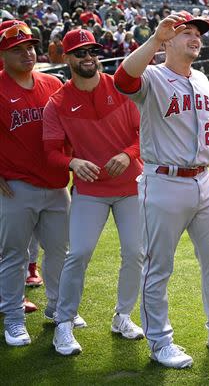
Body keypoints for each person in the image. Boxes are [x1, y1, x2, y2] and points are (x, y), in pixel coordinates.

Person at [114, 11, 209, 369]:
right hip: (163, 181)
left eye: (199, 33)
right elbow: (121, 79)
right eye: (187, 32)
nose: (196, 38)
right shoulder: (152, 77)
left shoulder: (204, 80)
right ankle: (160, 342)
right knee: (158, 267)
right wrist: (154, 39)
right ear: (168, 42)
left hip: (202, 182)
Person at [43, 29, 145, 356]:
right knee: (79, 253)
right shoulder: (57, 102)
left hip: (130, 186)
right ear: (66, 58)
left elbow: (145, 135)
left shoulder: (121, 87)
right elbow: (51, 152)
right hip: (90, 190)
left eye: (92, 51)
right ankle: (64, 322)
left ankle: (122, 316)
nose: (88, 57)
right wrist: (72, 162)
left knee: (135, 253)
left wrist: (128, 154)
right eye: (80, 53)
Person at [0, 21, 71, 346]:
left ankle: (57, 308)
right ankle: (14, 319)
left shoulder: (53, 83)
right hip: (17, 187)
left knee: (58, 251)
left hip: (56, 186)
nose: (27, 53)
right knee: (14, 255)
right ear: (3, 54)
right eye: (18, 48)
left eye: (29, 46)